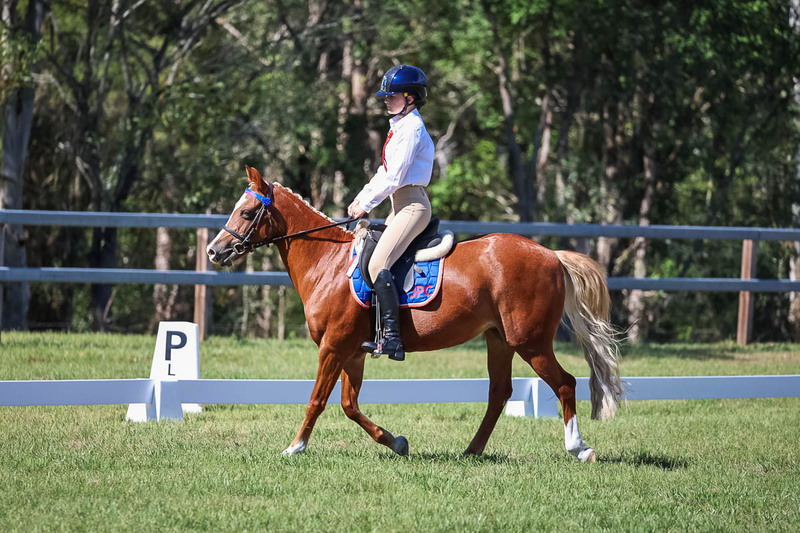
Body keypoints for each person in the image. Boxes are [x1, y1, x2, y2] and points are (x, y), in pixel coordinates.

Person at [347, 64, 434, 362]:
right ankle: (378, 330)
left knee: (377, 264)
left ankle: (393, 339)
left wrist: (366, 204)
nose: (386, 99)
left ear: (410, 98)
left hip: (412, 205)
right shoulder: (399, 126)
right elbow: (384, 171)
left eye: (392, 95)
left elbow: (395, 176)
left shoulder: (412, 128)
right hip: (399, 204)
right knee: (370, 257)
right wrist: (360, 198)